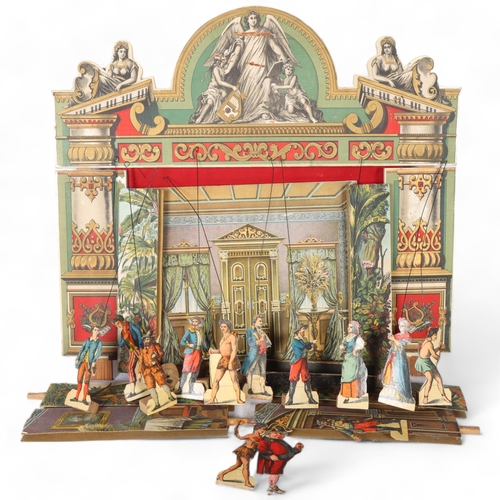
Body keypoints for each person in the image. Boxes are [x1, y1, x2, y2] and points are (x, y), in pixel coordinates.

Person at [203, 10, 299, 123]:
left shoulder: (264, 32)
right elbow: (236, 53)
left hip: (261, 63)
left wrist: (282, 55)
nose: (254, 20)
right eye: (251, 18)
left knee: (261, 85)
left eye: (255, 18)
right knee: (246, 87)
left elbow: (273, 46)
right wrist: (229, 67)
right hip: (247, 66)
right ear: (247, 20)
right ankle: (245, 111)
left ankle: (263, 110)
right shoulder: (243, 35)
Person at [189, 54, 240, 124]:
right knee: (210, 102)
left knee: (224, 94)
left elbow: (232, 62)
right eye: (223, 58)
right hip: (212, 89)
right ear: (219, 60)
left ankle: (215, 115)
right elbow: (219, 82)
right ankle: (199, 118)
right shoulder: (216, 69)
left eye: (225, 58)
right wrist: (232, 86)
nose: (225, 59)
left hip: (219, 89)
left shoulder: (223, 68)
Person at [217, 421, 266, 489]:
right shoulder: (250, 435)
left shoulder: (261, 437)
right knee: (246, 465)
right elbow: (240, 438)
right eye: (262, 429)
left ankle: (221, 474)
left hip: (250, 452)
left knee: (237, 465)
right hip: (244, 450)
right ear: (257, 429)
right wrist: (236, 430)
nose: (263, 430)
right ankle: (247, 482)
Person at [378, 317, 415, 407]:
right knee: (389, 373)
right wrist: (391, 338)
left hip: (399, 357)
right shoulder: (397, 335)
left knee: (398, 374)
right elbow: (393, 343)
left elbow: (400, 345)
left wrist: (393, 339)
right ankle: (388, 395)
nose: (400, 327)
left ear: (406, 327)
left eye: (403, 326)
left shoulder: (406, 336)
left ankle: (399, 395)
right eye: (400, 325)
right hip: (392, 355)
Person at [257, 425, 304, 495]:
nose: (278, 435)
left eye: (280, 433)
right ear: (268, 433)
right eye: (275, 433)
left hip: (281, 461)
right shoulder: (264, 441)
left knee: (277, 474)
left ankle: (272, 487)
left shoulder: (279, 441)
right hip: (274, 462)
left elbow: (290, 451)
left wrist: (297, 448)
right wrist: (270, 456)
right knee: (274, 473)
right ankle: (271, 487)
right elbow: (262, 451)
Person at [206, 319, 243, 404]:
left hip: (231, 359)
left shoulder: (232, 337)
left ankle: (238, 399)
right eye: (221, 327)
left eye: (224, 327)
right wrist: (214, 351)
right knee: (216, 380)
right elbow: (222, 350)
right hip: (223, 360)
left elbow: (234, 350)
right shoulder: (222, 338)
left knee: (234, 380)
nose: (222, 328)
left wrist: (231, 362)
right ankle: (212, 399)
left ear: (228, 327)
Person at [137, 332, 176, 411]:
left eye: (148, 339)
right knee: (151, 388)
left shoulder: (155, 346)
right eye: (145, 340)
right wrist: (139, 373)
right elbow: (141, 363)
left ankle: (170, 397)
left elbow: (161, 353)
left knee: (163, 383)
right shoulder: (143, 352)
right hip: (147, 371)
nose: (146, 341)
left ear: (151, 339)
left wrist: (156, 355)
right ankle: (157, 404)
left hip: (156, 369)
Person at [415, 327, 451, 404]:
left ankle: (443, 396)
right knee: (430, 378)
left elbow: (431, 351)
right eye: (435, 335)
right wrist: (442, 358)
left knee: (439, 379)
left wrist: (438, 348)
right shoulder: (429, 343)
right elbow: (434, 355)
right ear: (431, 335)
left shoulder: (428, 341)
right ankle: (425, 397)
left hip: (428, 361)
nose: (436, 336)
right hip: (423, 362)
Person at [112, 315, 144, 396]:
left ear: (121, 320)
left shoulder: (131, 325)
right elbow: (121, 345)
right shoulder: (122, 332)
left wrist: (140, 346)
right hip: (132, 350)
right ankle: (133, 391)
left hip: (139, 348)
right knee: (130, 368)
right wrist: (124, 338)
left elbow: (139, 334)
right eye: (116, 325)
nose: (118, 326)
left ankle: (147, 385)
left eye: (118, 323)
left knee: (144, 364)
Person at [70, 326, 103, 405]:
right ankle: (76, 397)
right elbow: (82, 349)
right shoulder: (87, 340)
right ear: (92, 331)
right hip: (82, 361)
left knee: (87, 381)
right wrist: (78, 358)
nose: (96, 331)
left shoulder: (98, 342)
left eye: (98, 330)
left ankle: (84, 399)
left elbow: (99, 352)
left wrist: (94, 361)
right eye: (95, 330)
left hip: (89, 363)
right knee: (79, 379)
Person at [286, 324, 317, 405]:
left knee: (307, 379)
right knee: (293, 380)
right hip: (296, 361)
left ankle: (310, 399)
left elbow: (309, 348)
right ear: (298, 330)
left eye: (304, 329)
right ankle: (290, 400)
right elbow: (303, 346)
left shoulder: (304, 339)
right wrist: (310, 342)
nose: (304, 331)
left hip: (303, 361)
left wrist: (308, 345)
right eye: (303, 329)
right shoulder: (295, 340)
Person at [241, 315, 272, 396]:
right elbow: (250, 343)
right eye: (260, 321)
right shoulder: (250, 330)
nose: (261, 322)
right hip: (255, 353)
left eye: (262, 321)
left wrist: (266, 346)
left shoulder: (262, 332)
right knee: (251, 369)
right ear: (255, 322)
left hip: (263, 353)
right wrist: (260, 340)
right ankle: (250, 388)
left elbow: (267, 342)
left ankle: (263, 390)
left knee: (263, 371)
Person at [178, 317, 209, 395]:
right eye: (193, 321)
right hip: (190, 353)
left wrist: (206, 351)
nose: (194, 323)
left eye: (196, 321)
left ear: (199, 323)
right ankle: (180, 389)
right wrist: (189, 344)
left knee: (195, 372)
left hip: (198, 353)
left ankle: (191, 390)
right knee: (185, 371)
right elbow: (182, 342)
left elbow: (204, 344)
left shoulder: (201, 332)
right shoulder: (189, 331)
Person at [339, 321, 368, 402]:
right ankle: (347, 396)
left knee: (354, 374)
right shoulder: (346, 337)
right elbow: (342, 346)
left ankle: (355, 394)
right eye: (348, 327)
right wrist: (342, 346)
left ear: (354, 328)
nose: (349, 328)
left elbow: (360, 345)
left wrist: (355, 350)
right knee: (346, 375)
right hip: (347, 358)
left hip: (353, 358)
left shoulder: (356, 337)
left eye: (351, 327)